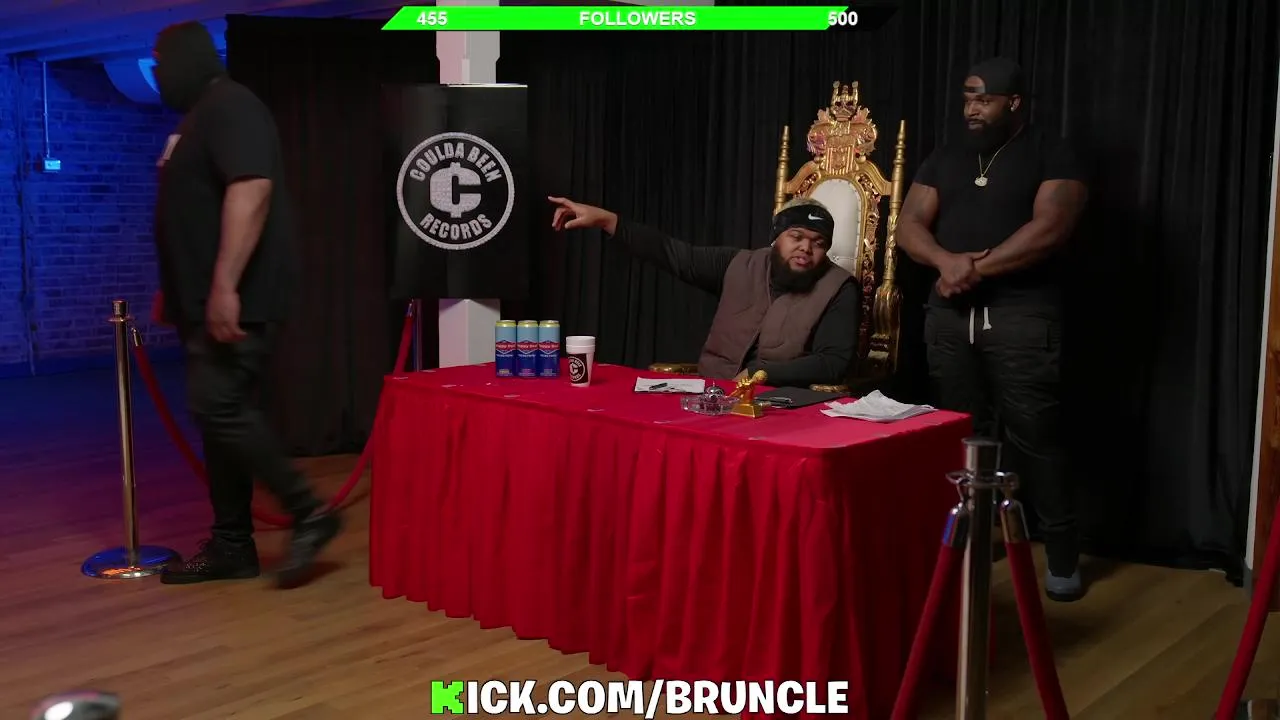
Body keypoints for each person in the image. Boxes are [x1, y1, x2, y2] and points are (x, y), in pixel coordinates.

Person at [148, 21, 340, 588]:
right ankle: (232, 544)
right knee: (218, 418)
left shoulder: (231, 106)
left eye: (159, 62)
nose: (155, 73)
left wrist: (226, 286)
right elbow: (193, 211)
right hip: (206, 299)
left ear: (186, 60)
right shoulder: (202, 116)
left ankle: (308, 512)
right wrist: (176, 290)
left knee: (219, 405)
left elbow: (252, 187)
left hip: (242, 296)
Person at [896, 57, 1089, 601]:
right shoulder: (946, 155)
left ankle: (1062, 554)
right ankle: (974, 542)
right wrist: (945, 262)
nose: (971, 109)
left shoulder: (1052, 151)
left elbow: (1051, 227)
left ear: (1014, 103)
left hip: (1022, 315)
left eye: (983, 99)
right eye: (967, 98)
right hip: (949, 316)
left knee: (1036, 434)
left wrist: (974, 270)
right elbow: (909, 225)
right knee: (961, 432)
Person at [547, 195, 859, 387]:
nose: (806, 248)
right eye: (797, 236)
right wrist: (607, 220)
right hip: (711, 394)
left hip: (781, 407)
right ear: (776, 237)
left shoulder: (839, 288)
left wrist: (761, 374)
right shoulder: (740, 264)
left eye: (818, 243)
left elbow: (832, 363)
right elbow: (673, 254)